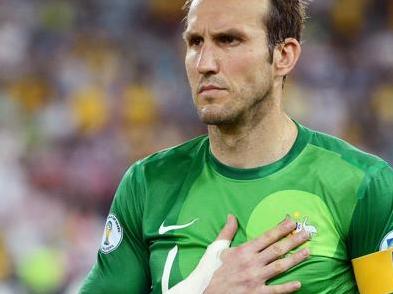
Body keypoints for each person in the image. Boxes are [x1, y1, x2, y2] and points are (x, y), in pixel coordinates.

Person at [81, 0, 393, 293]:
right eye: (195, 42)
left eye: (229, 40)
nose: (205, 63)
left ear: (284, 56)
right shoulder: (148, 185)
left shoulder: (363, 185)